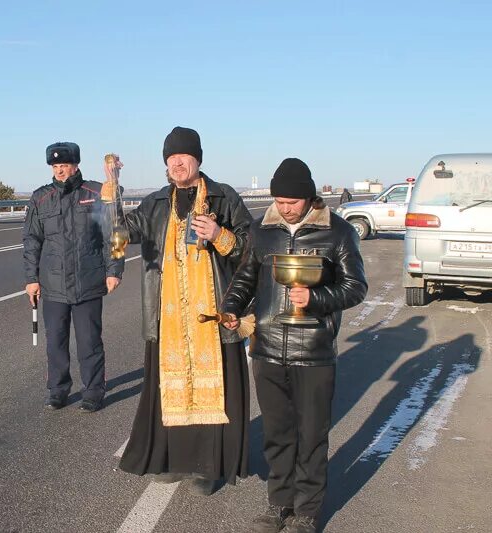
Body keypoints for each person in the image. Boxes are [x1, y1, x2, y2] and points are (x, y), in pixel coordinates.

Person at [221, 158, 368, 533]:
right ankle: (279, 503)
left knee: (312, 435)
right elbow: (245, 278)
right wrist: (231, 308)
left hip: (314, 352)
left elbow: (356, 288)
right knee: (277, 433)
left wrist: (315, 299)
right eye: (279, 201)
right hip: (266, 348)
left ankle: (307, 511)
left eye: (292, 202)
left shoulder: (337, 233)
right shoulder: (262, 230)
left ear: (308, 196)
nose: (284, 209)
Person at [117, 126, 254, 495]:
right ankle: (173, 460)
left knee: (216, 391)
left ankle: (210, 467)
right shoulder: (157, 203)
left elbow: (252, 250)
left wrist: (220, 235)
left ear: (198, 159)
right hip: (170, 320)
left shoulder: (224, 198)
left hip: (214, 317)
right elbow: (120, 233)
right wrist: (111, 190)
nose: (177, 164)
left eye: (183, 157)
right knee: (169, 387)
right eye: (170, 159)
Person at [22, 142, 124, 413]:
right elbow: (32, 240)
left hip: (88, 282)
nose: (60, 171)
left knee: (89, 341)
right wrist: (31, 278)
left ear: (76, 165)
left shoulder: (94, 192)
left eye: (64, 166)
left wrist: (114, 270)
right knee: (55, 341)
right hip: (53, 286)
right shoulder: (41, 198)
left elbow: (111, 231)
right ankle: (58, 389)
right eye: (55, 167)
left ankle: (93, 391)